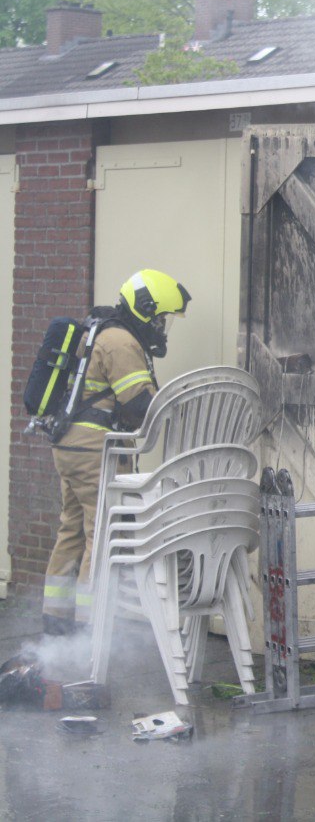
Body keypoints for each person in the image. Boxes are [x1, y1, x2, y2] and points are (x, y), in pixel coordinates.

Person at [42, 269, 191, 636]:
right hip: (94, 450)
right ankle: (88, 627)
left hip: (70, 446)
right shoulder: (122, 342)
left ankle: (55, 619)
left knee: (72, 529)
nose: (161, 327)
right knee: (101, 534)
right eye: (160, 318)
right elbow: (139, 406)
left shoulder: (101, 331)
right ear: (144, 310)